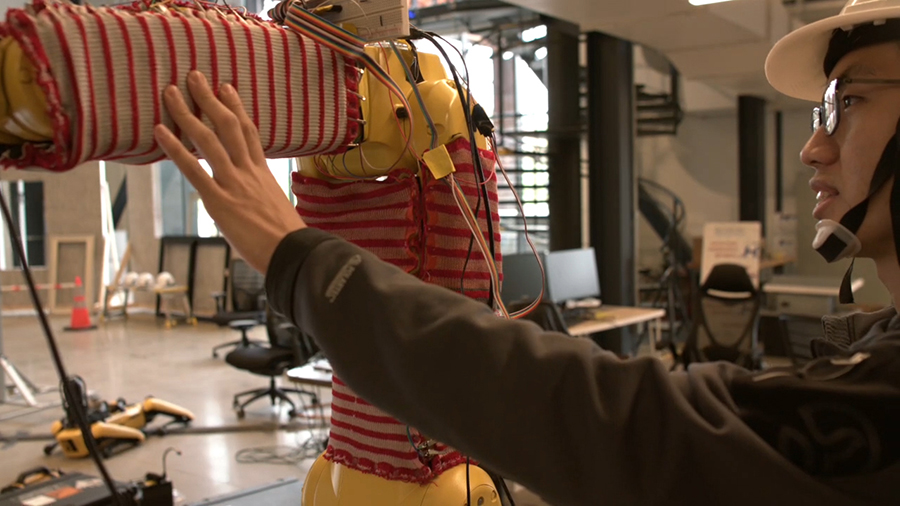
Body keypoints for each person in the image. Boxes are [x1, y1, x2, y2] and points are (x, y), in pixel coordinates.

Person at [152, 1, 900, 504]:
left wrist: (297, 255)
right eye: (817, 112)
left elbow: (627, 427)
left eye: (847, 103)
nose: (812, 147)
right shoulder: (870, 352)